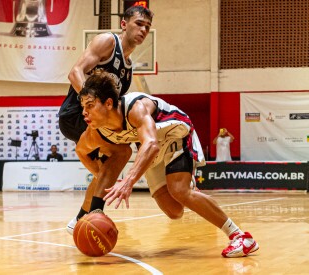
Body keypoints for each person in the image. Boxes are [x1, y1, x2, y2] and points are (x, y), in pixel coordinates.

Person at [75, 70, 259, 258]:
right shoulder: (96, 131)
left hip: (174, 134)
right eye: (83, 107)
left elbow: (152, 144)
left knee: (179, 190)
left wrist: (128, 181)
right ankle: (192, 193)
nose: (84, 112)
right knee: (174, 211)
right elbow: (81, 151)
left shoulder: (135, 108)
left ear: (108, 103)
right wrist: (98, 173)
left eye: (90, 105)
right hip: (151, 150)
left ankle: (241, 237)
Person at [58, 5, 154, 233]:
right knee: (122, 152)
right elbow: (74, 73)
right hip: (75, 115)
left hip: (94, 121)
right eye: (139, 24)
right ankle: (88, 215)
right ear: (124, 24)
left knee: (109, 168)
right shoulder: (108, 42)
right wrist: (90, 105)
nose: (143, 30)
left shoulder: (128, 71)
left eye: (147, 27)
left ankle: (80, 222)